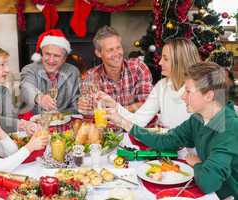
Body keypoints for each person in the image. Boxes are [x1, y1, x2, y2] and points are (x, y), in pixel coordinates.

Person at [107, 62, 238, 199]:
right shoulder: (199, 119)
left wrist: (198, 164)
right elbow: (167, 141)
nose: (183, 96)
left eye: (188, 91)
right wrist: (124, 123)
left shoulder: (230, 128)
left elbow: (208, 182)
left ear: (209, 96)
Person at [100, 38, 201, 129]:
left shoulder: (198, 90)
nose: (160, 62)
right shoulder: (162, 86)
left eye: (166, 59)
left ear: (180, 62)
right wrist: (114, 105)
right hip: (166, 146)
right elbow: (138, 120)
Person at [78, 25, 153, 114]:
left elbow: (147, 104)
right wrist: (84, 106)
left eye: (118, 47)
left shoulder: (138, 68)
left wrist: (116, 110)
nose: (116, 53)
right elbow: (91, 111)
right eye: (110, 50)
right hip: (105, 126)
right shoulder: (91, 75)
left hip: (134, 125)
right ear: (98, 53)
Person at [20, 29, 80, 114]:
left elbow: (76, 104)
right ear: (42, 54)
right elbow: (26, 88)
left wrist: (62, 116)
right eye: (47, 54)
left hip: (65, 121)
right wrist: (40, 98)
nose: (51, 60)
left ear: (64, 59)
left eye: (56, 56)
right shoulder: (30, 69)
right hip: (36, 122)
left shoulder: (73, 72)